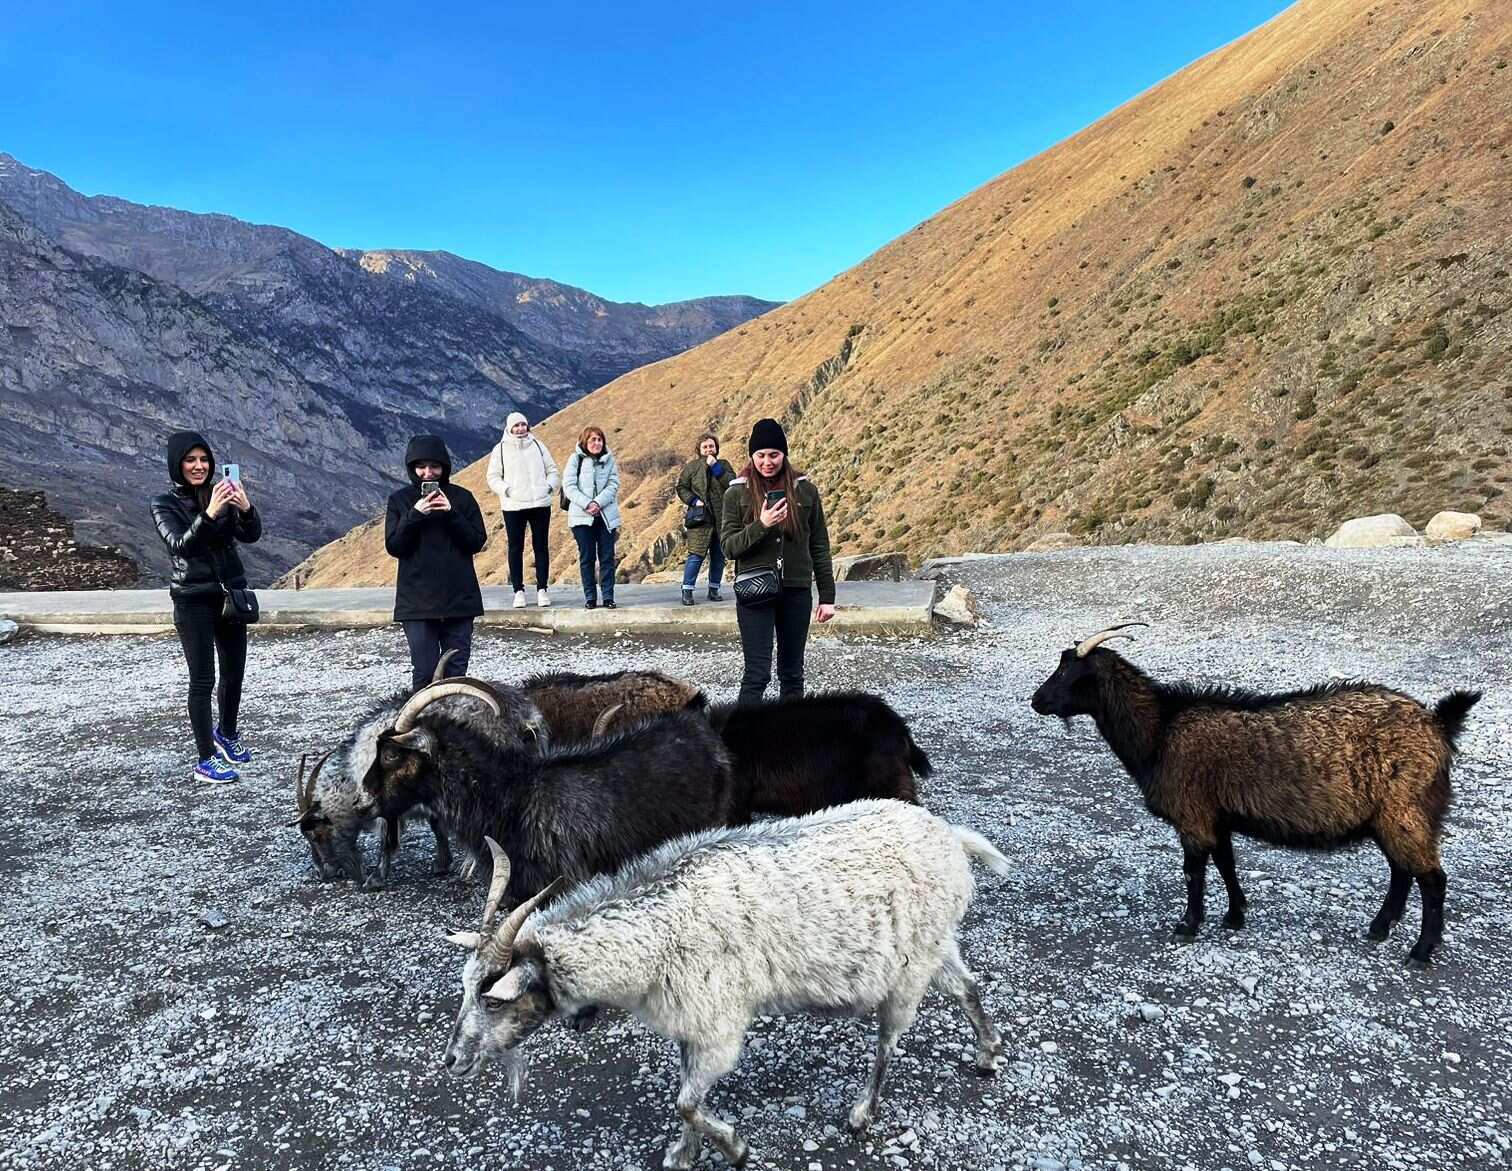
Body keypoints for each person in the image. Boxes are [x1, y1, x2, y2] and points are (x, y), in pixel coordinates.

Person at [150, 430, 262, 784]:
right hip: (192, 599)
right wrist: (210, 513)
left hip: (230, 595)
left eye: (203, 460)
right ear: (177, 465)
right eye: (190, 460)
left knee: (235, 671)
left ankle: (226, 733)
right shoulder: (163, 503)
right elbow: (181, 545)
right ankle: (205, 759)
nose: (198, 466)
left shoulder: (220, 494)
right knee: (202, 680)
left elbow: (250, 535)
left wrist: (245, 508)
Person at [720, 418, 836, 705]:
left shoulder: (806, 491)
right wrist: (762, 524)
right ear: (752, 456)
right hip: (754, 591)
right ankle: (744, 732)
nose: (767, 462)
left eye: (774, 454)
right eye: (760, 455)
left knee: (792, 674)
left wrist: (827, 597)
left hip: (796, 591)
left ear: (784, 454)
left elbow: (819, 545)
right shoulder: (736, 493)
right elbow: (729, 547)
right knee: (756, 675)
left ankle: (789, 733)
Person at [384, 435, 487, 690]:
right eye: (421, 467)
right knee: (424, 672)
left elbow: (476, 542)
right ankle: (423, 716)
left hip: (459, 599)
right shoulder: (399, 500)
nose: (428, 473)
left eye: (434, 466)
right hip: (417, 603)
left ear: (445, 467)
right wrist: (415, 515)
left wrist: (451, 513)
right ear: (412, 468)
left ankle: (454, 716)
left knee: (456, 672)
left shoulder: (462, 498)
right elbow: (395, 546)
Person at [485, 411, 559, 608]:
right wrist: (507, 490)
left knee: (541, 546)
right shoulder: (500, 449)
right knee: (515, 548)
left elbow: (552, 470)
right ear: (509, 428)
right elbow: (493, 477)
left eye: (523, 425)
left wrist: (548, 487)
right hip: (513, 506)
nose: (520, 429)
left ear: (528, 426)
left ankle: (542, 589)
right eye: (516, 426)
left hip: (540, 504)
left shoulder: (538, 445)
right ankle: (518, 591)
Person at [562, 425, 622, 609]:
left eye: (599, 439)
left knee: (607, 557)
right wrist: (587, 503)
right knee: (587, 558)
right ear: (584, 441)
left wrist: (598, 502)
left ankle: (608, 597)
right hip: (582, 516)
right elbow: (569, 486)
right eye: (592, 439)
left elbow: (613, 484)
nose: (596, 443)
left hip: (605, 515)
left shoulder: (609, 460)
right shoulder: (575, 459)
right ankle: (590, 597)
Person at [675, 434, 734, 606]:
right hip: (700, 518)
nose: (709, 449)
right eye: (705, 447)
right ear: (699, 449)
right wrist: (694, 501)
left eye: (711, 446)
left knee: (719, 556)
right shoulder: (692, 467)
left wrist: (716, 467)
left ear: (716, 448)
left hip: (721, 518)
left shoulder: (724, 465)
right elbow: (681, 487)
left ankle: (714, 590)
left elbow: (732, 483)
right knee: (696, 555)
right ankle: (687, 590)